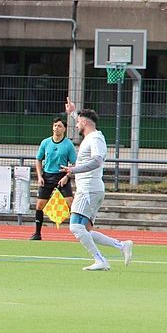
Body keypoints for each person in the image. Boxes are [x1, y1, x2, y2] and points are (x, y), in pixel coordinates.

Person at [61, 97, 134, 271]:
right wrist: (73, 112)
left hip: (89, 189)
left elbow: (97, 161)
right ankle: (121, 245)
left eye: (78, 122)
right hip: (90, 189)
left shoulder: (95, 139)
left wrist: (74, 170)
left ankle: (100, 260)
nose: (76, 125)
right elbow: (82, 120)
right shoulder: (91, 136)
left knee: (75, 227)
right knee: (85, 230)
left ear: (85, 123)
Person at [30, 116, 77, 240]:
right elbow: (38, 159)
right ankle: (37, 233)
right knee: (40, 205)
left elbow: (74, 164)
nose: (56, 128)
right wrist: (39, 176)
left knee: (71, 203)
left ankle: (78, 231)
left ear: (64, 129)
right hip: (47, 176)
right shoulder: (45, 143)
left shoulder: (68, 144)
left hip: (62, 175)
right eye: (55, 125)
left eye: (59, 126)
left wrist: (67, 176)